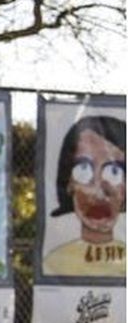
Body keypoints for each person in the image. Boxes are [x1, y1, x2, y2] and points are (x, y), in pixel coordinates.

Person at [43, 114, 125, 277]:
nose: (98, 190)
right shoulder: (53, 264)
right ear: (68, 183)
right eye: (83, 170)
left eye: (113, 172)